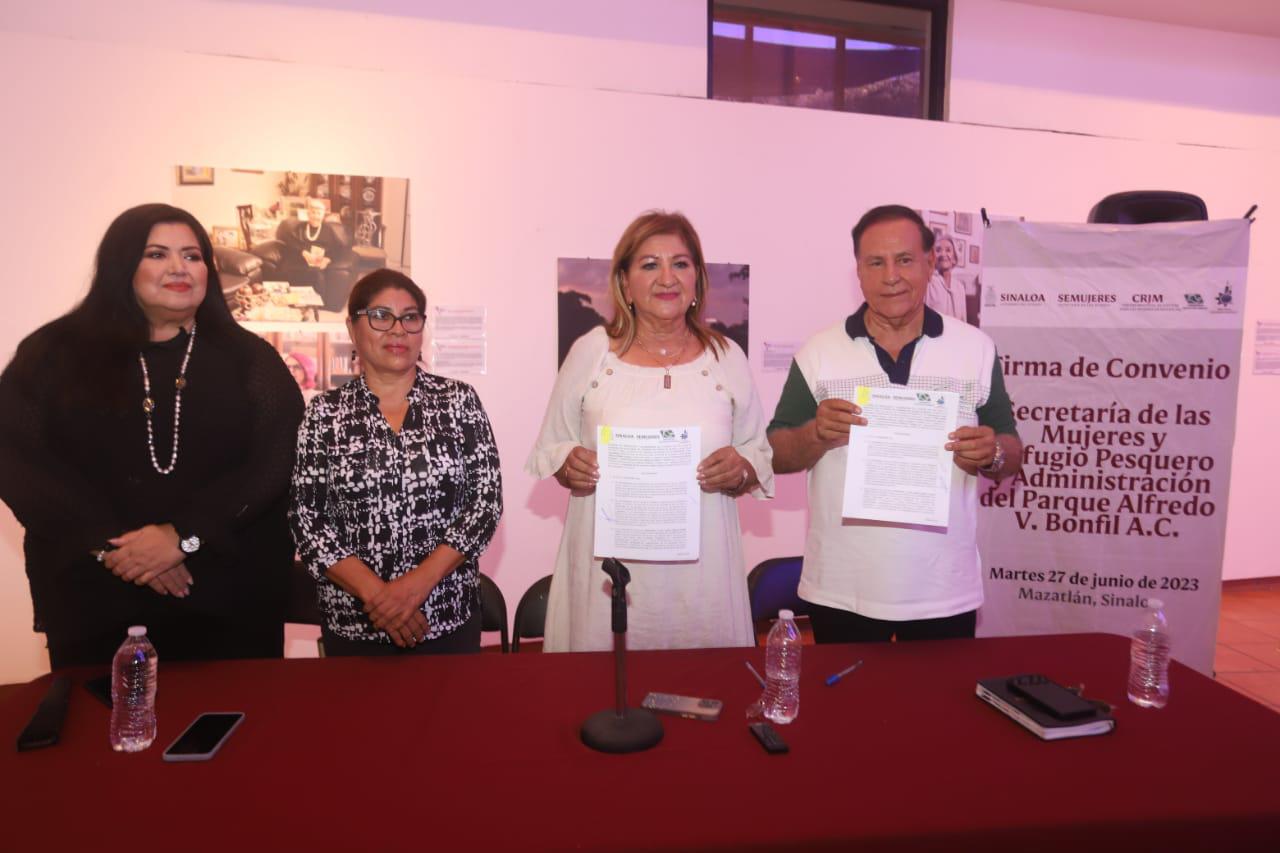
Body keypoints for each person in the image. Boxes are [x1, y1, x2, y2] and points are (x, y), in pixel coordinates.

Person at [0, 203, 304, 667]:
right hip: (96, 600)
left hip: (227, 602)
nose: (179, 268)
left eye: (193, 256)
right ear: (122, 264)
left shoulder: (250, 359)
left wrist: (184, 539)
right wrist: (112, 547)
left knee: (233, 715)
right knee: (101, 714)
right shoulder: (53, 353)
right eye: (157, 254)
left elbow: (276, 462)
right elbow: (16, 460)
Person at [767, 204, 1022, 643]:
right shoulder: (819, 353)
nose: (891, 276)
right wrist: (815, 435)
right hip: (841, 590)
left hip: (944, 591)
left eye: (904, 260)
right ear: (858, 272)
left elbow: (1011, 452)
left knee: (941, 692)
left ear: (929, 262)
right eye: (876, 262)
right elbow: (775, 453)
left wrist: (992, 454)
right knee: (847, 692)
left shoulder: (975, 349)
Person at [527, 211, 773, 652]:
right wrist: (569, 463)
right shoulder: (591, 352)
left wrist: (741, 468)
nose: (667, 278)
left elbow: (759, 452)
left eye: (680, 263)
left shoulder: (727, 356)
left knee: (703, 685)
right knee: (600, 686)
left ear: (697, 278)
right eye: (649, 264)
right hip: (608, 576)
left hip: (703, 578)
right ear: (625, 283)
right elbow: (553, 446)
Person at [290, 269, 502, 655]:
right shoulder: (324, 414)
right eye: (381, 316)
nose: (398, 330)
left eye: (410, 317)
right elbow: (308, 521)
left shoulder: (458, 402)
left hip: (446, 617)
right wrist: (380, 598)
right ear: (352, 328)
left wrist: (414, 588)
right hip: (356, 622)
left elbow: (484, 505)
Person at [279, 197, 349, 311]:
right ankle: (292, 302)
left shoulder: (328, 229)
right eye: (313, 212)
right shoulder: (300, 227)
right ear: (308, 214)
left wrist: (327, 259)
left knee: (316, 273)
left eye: (318, 213)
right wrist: (303, 252)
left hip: (317, 263)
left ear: (323, 215)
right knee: (287, 268)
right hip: (300, 260)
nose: (315, 215)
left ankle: (314, 305)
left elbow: (339, 248)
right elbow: (290, 242)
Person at [926, 235, 968, 322]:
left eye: (948, 250)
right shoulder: (928, 283)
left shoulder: (960, 288)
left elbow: (963, 321)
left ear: (954, 258)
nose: (943, 254)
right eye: (938, 250)